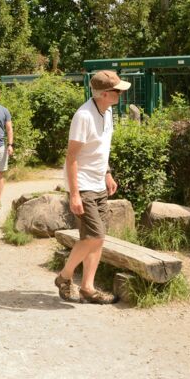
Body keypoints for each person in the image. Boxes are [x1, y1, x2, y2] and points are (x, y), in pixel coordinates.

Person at [54, 70, 129, 304]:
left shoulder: (107, 112)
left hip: (98, 183)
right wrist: (74, 194)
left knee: (99, 238)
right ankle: (65, 277)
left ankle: (87, 287)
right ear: (105, 93)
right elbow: (71, 157)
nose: (121, 93)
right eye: (117, 90)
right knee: (94, 236)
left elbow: (99, 149)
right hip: (84, 186)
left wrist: (107, 173)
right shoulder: (83, 116)